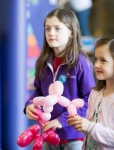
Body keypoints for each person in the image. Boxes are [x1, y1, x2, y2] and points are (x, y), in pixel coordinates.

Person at [24, 8, 95, 150]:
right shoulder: (43, 62)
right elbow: (38, 91)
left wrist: (61, 121)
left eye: (57, 29)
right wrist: (29, 105)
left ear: (71, 33)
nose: (51, 33)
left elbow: (90, 100)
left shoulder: (80, 64)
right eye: (47, 29)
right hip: (47, 134)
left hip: (74, 138)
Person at [67, 35, 114, 150]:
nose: (96, 64)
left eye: (103, 60)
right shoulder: (95, 93)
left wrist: (90, 127)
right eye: (96, 59)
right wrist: (81, 125)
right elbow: (95, 131)